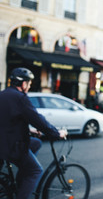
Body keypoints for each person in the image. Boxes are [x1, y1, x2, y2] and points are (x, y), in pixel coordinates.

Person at [0, 67, 67, 199]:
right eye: (29, 83)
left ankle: (21, 179)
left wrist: (30, 130)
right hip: (11, 145)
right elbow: (37, 119)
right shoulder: (20, 98)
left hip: (4, 141)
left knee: (36, 143)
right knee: (35, 170)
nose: (29, 86)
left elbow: (8, 119)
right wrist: (56, 133)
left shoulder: (2, 95)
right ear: (23, 84)